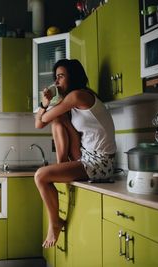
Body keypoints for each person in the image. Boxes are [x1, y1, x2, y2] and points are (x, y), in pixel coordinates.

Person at [34, 59, 116, 248]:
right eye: (56, 78)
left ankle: (55, 223)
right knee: (57, 120)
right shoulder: (70, 100)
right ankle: (61, 164)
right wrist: (46, 105)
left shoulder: (78, 96)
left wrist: (44, 104)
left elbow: (41, 120)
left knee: (40, 176)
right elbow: (40, 124)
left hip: (101, 162)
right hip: (86, 155)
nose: (57, 82)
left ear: (73, 77)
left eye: (61, 77)